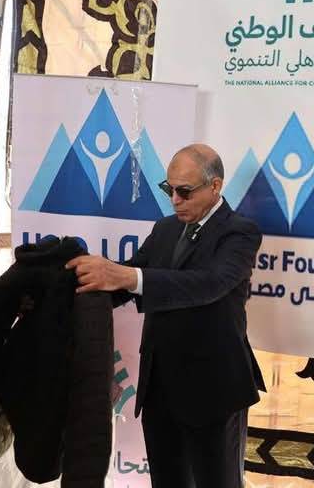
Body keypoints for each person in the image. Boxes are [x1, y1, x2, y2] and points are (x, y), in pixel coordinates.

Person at [66, 143, 264, 488]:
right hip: (160, 388)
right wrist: (68, 290)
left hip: (213, 390)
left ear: (215, 186)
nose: (174, 200)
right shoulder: (165, 229)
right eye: (168, 189)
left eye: (184, 191)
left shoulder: (240, 232)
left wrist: (127, 276)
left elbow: (209, 284)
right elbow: (126, 284)